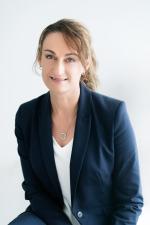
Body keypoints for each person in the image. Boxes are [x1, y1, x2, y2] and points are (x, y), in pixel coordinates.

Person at [9, 18, 143, 225]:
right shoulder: (26, 116)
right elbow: (34, 190)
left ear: (85, 63)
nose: (58, 68)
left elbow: (131, 201)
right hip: (49, 220)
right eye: (50, 56)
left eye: (70, 59)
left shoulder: (113, 114)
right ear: (40, 59)